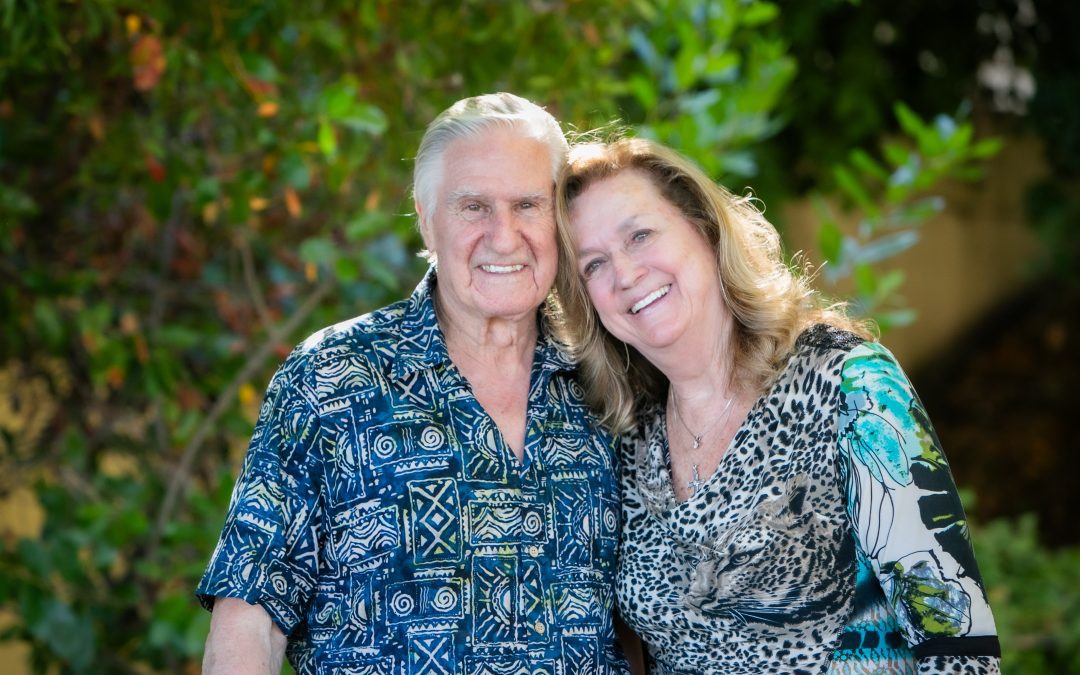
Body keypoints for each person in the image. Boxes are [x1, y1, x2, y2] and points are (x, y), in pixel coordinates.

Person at [197, 93, 630, 675]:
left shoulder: (611, 377)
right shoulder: (330, 377)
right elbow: (249, 615)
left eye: (528, 205)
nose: (504, 237)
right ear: (426, 219)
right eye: (473, 207)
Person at [552, 136, 1002, 674]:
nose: (624, 274)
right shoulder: (628, 443)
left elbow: (957, 640)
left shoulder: (849, 381)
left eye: (641, 235)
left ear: (705, 230)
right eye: (593, 265)